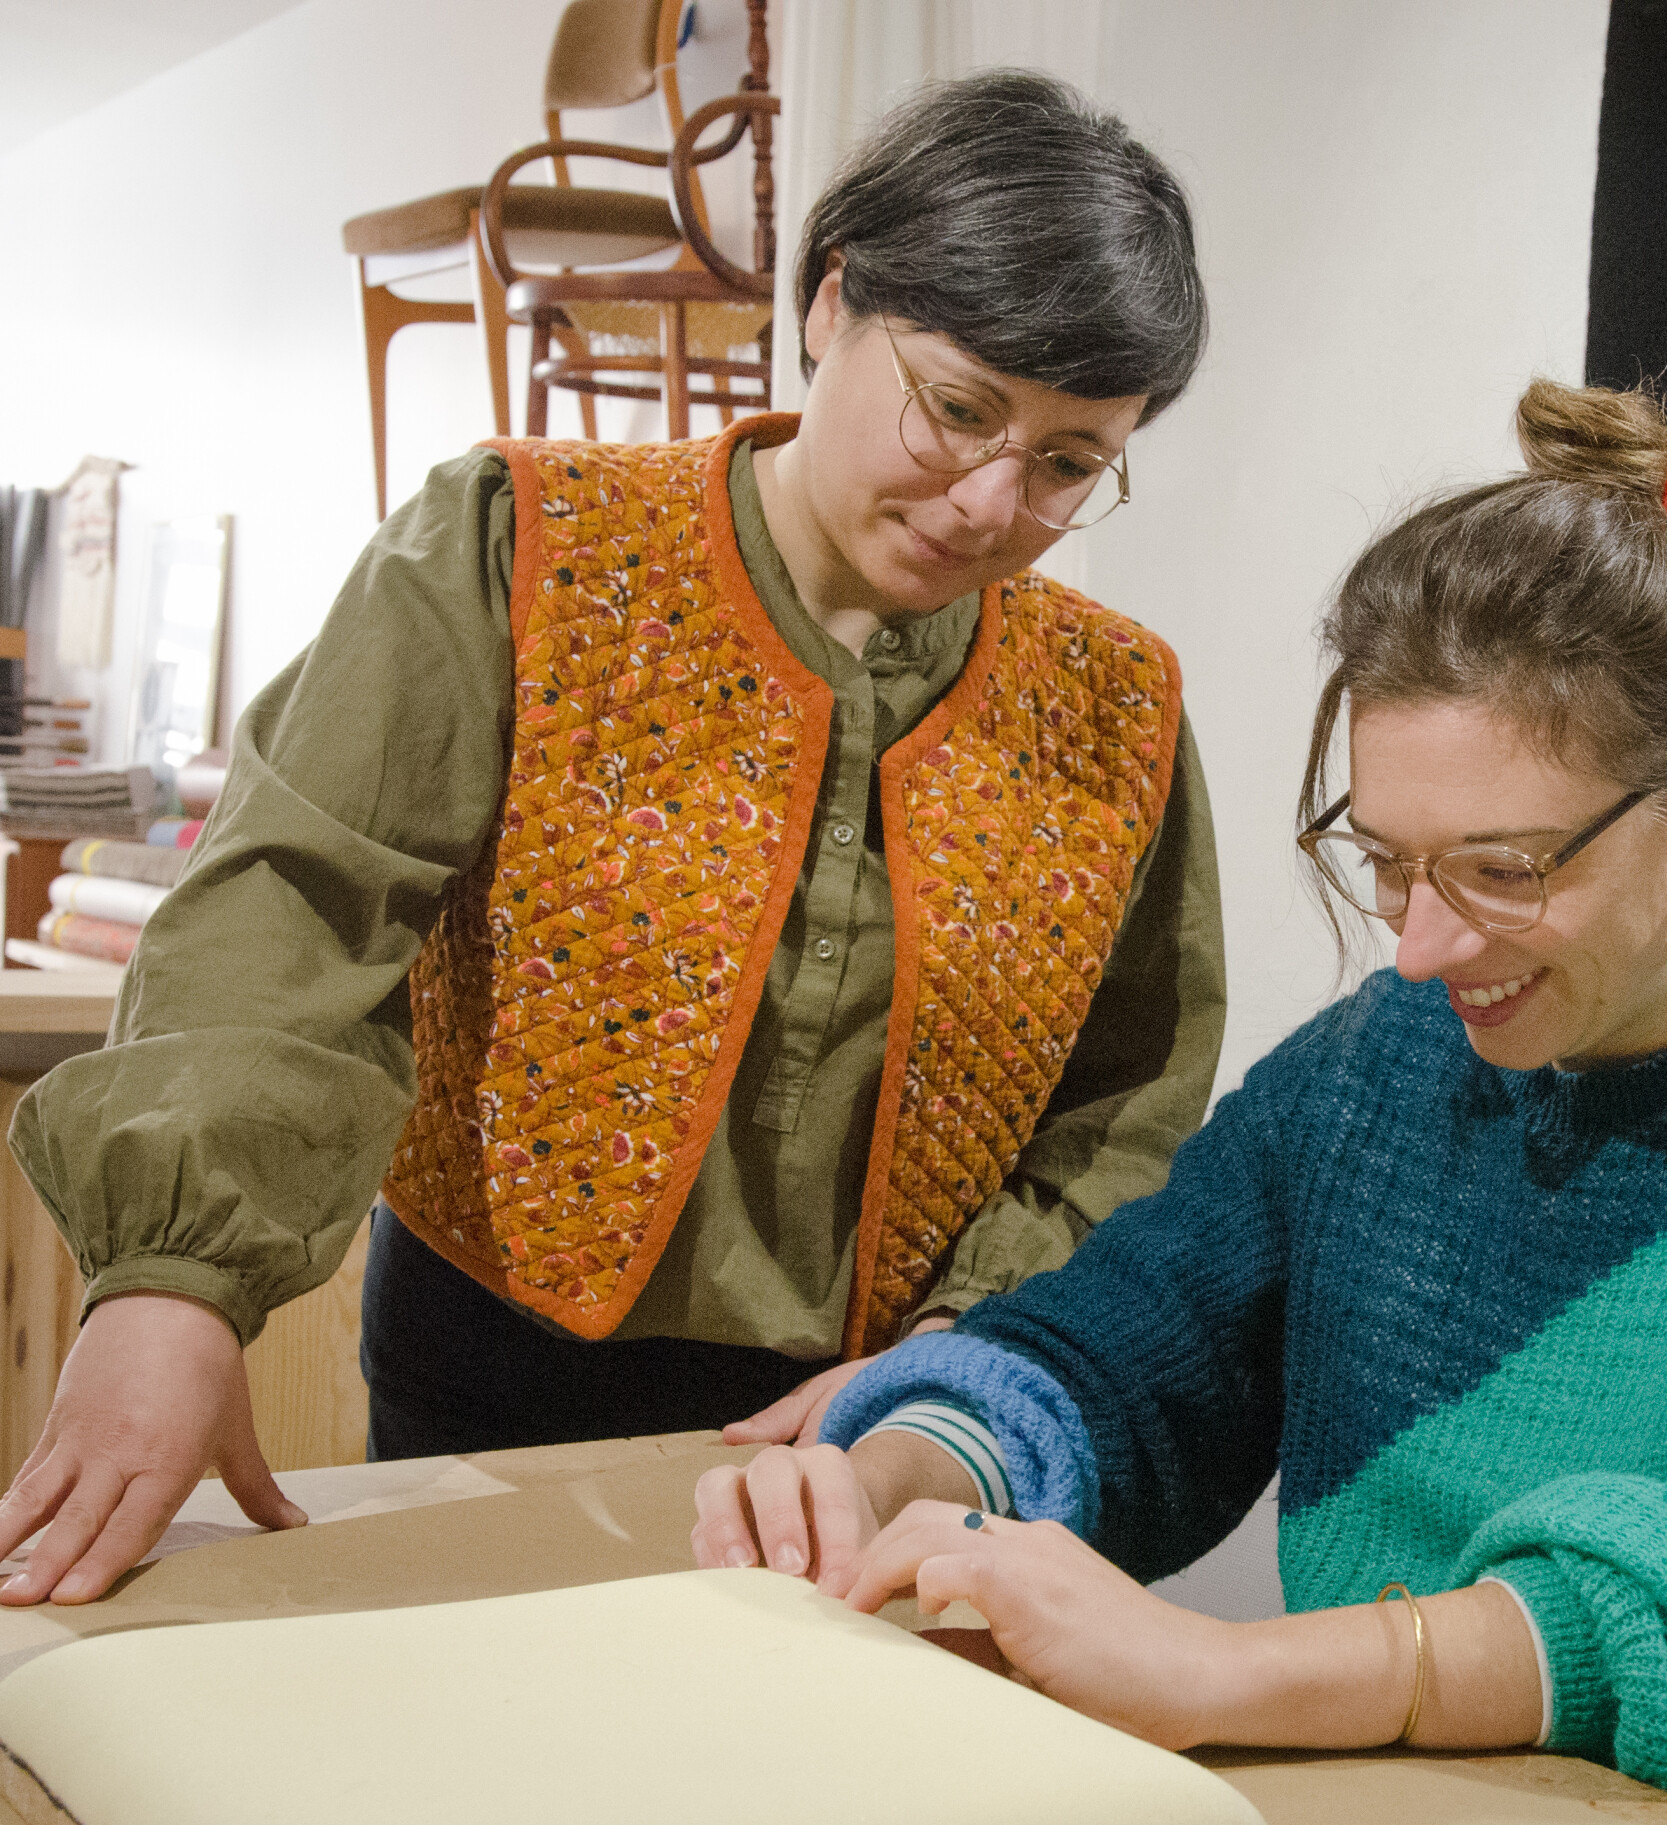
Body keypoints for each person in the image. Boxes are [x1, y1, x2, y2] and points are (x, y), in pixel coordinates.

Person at [689, 379, 1667, 1823]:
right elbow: (1125, 1351)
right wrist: (895, 1480)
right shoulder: (1381, 1060)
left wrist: (1220, 1671)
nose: (1423, 945)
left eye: (1503, 868)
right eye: (1390, 860)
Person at [0, 72, 1225, 1608]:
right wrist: (173, 1285)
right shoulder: (517, 547)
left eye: (1068, 461)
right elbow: (297, 905)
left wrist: (972, 1350)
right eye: (961, 407)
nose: (994, 498)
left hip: (883, 1445)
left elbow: (1127, 1103)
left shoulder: (1115, 706)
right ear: (833, 302)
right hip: (491, 1380)